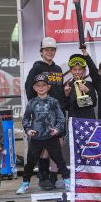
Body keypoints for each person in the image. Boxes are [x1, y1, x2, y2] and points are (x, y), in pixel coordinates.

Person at [16, 74, 70, 194]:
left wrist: (57, 129)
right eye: (38, 85)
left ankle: (67, 181)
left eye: (43, 85)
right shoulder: (31, 102)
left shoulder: (54, 102)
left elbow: (61, 119)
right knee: (30, 162)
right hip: (36, 138)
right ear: (34, 88)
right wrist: (28, 130)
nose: (41, 87)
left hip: (51, 137)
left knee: (59, 160)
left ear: (48, 87)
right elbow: (25, 119)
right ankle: (25, 184)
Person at [24, 37, 64, 190]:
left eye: (52, 49)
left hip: (57, 113)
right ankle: (43, 178)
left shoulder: (58, 69)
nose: (50, 52)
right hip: (43, 116)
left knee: (58, 145)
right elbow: (29, 89)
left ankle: (53, 178)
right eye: (47, 49)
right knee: (45, 147)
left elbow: (58, 91)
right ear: (41, 52)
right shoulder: (36, 68)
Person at [64, 54, 97, 119]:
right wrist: (66, 95)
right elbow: (66, 107)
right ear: (71, 71)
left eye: (80, 69)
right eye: (74, 69)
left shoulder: (89, 84)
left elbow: (94, 103)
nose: (77, 72)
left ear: (84, 71)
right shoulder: (67, 86)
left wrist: (87, 91)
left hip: (88, 120)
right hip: (74, 120)